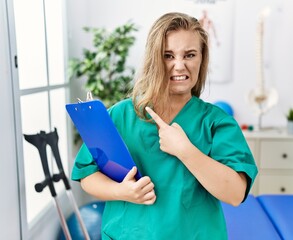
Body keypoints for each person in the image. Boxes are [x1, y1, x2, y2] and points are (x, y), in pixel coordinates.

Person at [71, 12, 258, 240]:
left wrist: (186, 151)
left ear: (202, 58)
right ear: (154, 58)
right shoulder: (120, 115)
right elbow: (87, 174)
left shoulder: (216, 123)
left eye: (190, 55)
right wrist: (121, 191)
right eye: (168, 56)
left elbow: (235, 194)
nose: (179, 66)